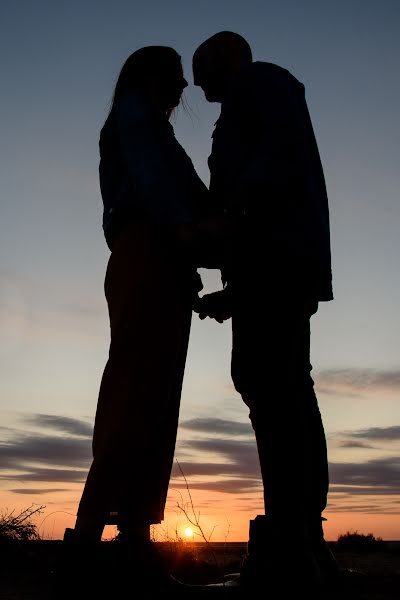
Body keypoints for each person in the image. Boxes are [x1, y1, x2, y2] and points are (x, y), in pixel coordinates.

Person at [55, 46, 210, 597]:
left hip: (161, 258)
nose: (183, 89)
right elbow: (162, 190)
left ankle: (129, 543)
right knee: (136, 393)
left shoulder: (148, 128)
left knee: (152, 398)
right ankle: (98, 541)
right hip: (150, 251)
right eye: (176, 78)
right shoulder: (137, 119)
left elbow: (186, 196)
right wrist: (193, 232)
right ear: (151, 77)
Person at [191, 31, 339, 592]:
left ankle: (291, 548)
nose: (194, 82)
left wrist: (227, 214)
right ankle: (302, 542)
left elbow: (275, 162)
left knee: (272, 386)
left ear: (226, 56)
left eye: (201, 68)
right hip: (273, 267)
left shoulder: (261, 82)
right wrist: (234, 284)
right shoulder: (248, 100)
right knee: (281, 387)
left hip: (278, 264)